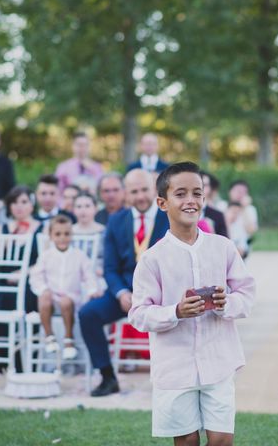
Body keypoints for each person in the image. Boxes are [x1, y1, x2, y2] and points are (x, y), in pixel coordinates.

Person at [129, 161, 256, 445]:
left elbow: (246, 294)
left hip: (218, 360)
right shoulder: (152, 259)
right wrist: (175, 311)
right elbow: (138, 314)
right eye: (181, 193)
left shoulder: (222, 247)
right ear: (162, 203)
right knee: (186, 441)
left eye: (197, 193)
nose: (191, 201)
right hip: (175, 365)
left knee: (222, 439)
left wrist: (226, 303)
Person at [78, 169, 169, 397]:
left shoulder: (169, 217)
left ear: (155, 188)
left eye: (144, 190)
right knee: (88, 314)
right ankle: (108, 377)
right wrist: (120, 293)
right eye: (134, 191)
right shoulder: (116, 221)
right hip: (125, 291)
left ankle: (175, 379)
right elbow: (110, 268)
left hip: (162, 292)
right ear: (126, 194)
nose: (140, 196)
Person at [0, 185, 44, 372]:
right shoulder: (2, 227)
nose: (19, 207)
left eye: (23, 202)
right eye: (14, 203)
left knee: (26, 297)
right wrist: (8, 239)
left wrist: (24, 273)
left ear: (31, 205)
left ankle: (22, 359)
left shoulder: (42, 228)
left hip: (30, 280)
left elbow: (45, 262)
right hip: (4, 278)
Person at [30, 214, 97, 361]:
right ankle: (49, 336)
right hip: (52, 298)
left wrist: (92, 290)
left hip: (71, 299)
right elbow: (36, 276)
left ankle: (68, 339)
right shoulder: (46, 256)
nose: (62, 238)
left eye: (66, 234)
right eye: (58, 234)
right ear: (51, 236)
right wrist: (43, 289)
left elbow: (89, 276)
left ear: (72, 235)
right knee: (44, 298)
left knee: (66, 301)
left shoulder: (79, 255)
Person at [200, 171, 228, 237]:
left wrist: (211, 231)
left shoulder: (218, 215)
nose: (201, 188)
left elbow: (224, 241)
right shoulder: (181, 211)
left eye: (205, 185)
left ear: (210, 188)